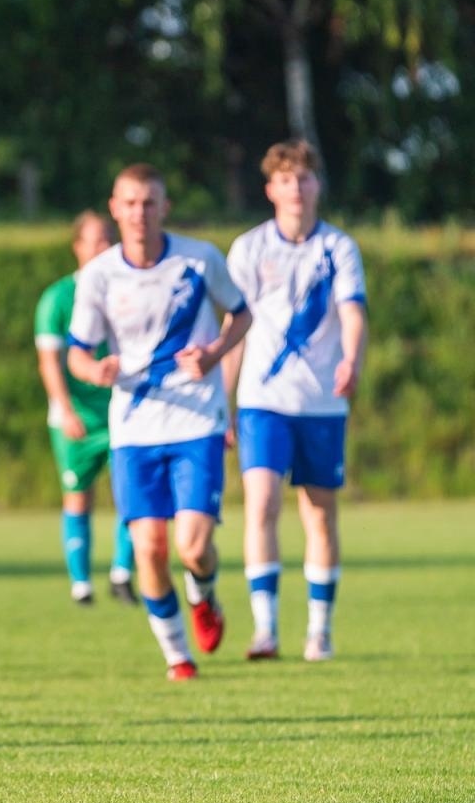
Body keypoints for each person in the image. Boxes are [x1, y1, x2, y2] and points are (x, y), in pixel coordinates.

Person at [67, 163, 251, 680]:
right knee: (148, 548)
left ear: (165, 207)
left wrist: (215, 353)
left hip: (197, 422)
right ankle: (177, 656)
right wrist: (95, 369)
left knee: (192, 546)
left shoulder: (200, 258)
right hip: (134, 427)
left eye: (149, 202)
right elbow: (77, 354)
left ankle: (204, 594)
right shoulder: (100, 274)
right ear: (114, 208)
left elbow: (242, 314)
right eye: (130, 203)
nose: (139, 213)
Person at [221, 140, 367, 662]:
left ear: (317, 185)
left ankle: (319, 631)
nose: (296, 187)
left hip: (322, 403)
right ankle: (265, 630)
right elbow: (232, 329)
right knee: (261, 503)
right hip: (263, 399)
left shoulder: (339, 248)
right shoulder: (250, 249)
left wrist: (351, 358)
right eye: (286, 179)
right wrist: (225, 404)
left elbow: (352, 311)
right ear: (270, 189)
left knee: (319, 513)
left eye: (304, 178)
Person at [34, 213, 137, 607]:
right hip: (77, 412)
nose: (102, 249)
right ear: (77, 246)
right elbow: (50, 361)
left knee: (129, 492)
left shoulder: (127, 289)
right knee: (78, 495)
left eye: (108, 240)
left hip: (122, 409)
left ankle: (122, 574)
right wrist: (65, 408)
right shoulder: (58, 298)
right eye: (94, 241)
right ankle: (81, 584)